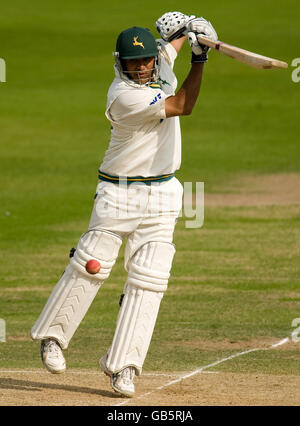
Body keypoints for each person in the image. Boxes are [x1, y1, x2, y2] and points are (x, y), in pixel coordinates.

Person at [30, 11, 218, 398]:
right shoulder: (124, 95)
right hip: (119, 193)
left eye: (146, 60)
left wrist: (190, 31)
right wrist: (200, 59)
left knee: (150, 278)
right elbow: (183, 105)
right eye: (133, 63)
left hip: (164, 193)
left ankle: (123, 367)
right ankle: (52, 336)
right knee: (92, 263)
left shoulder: (158, 61)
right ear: (120, 65)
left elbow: (168, 49)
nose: (141, 68)